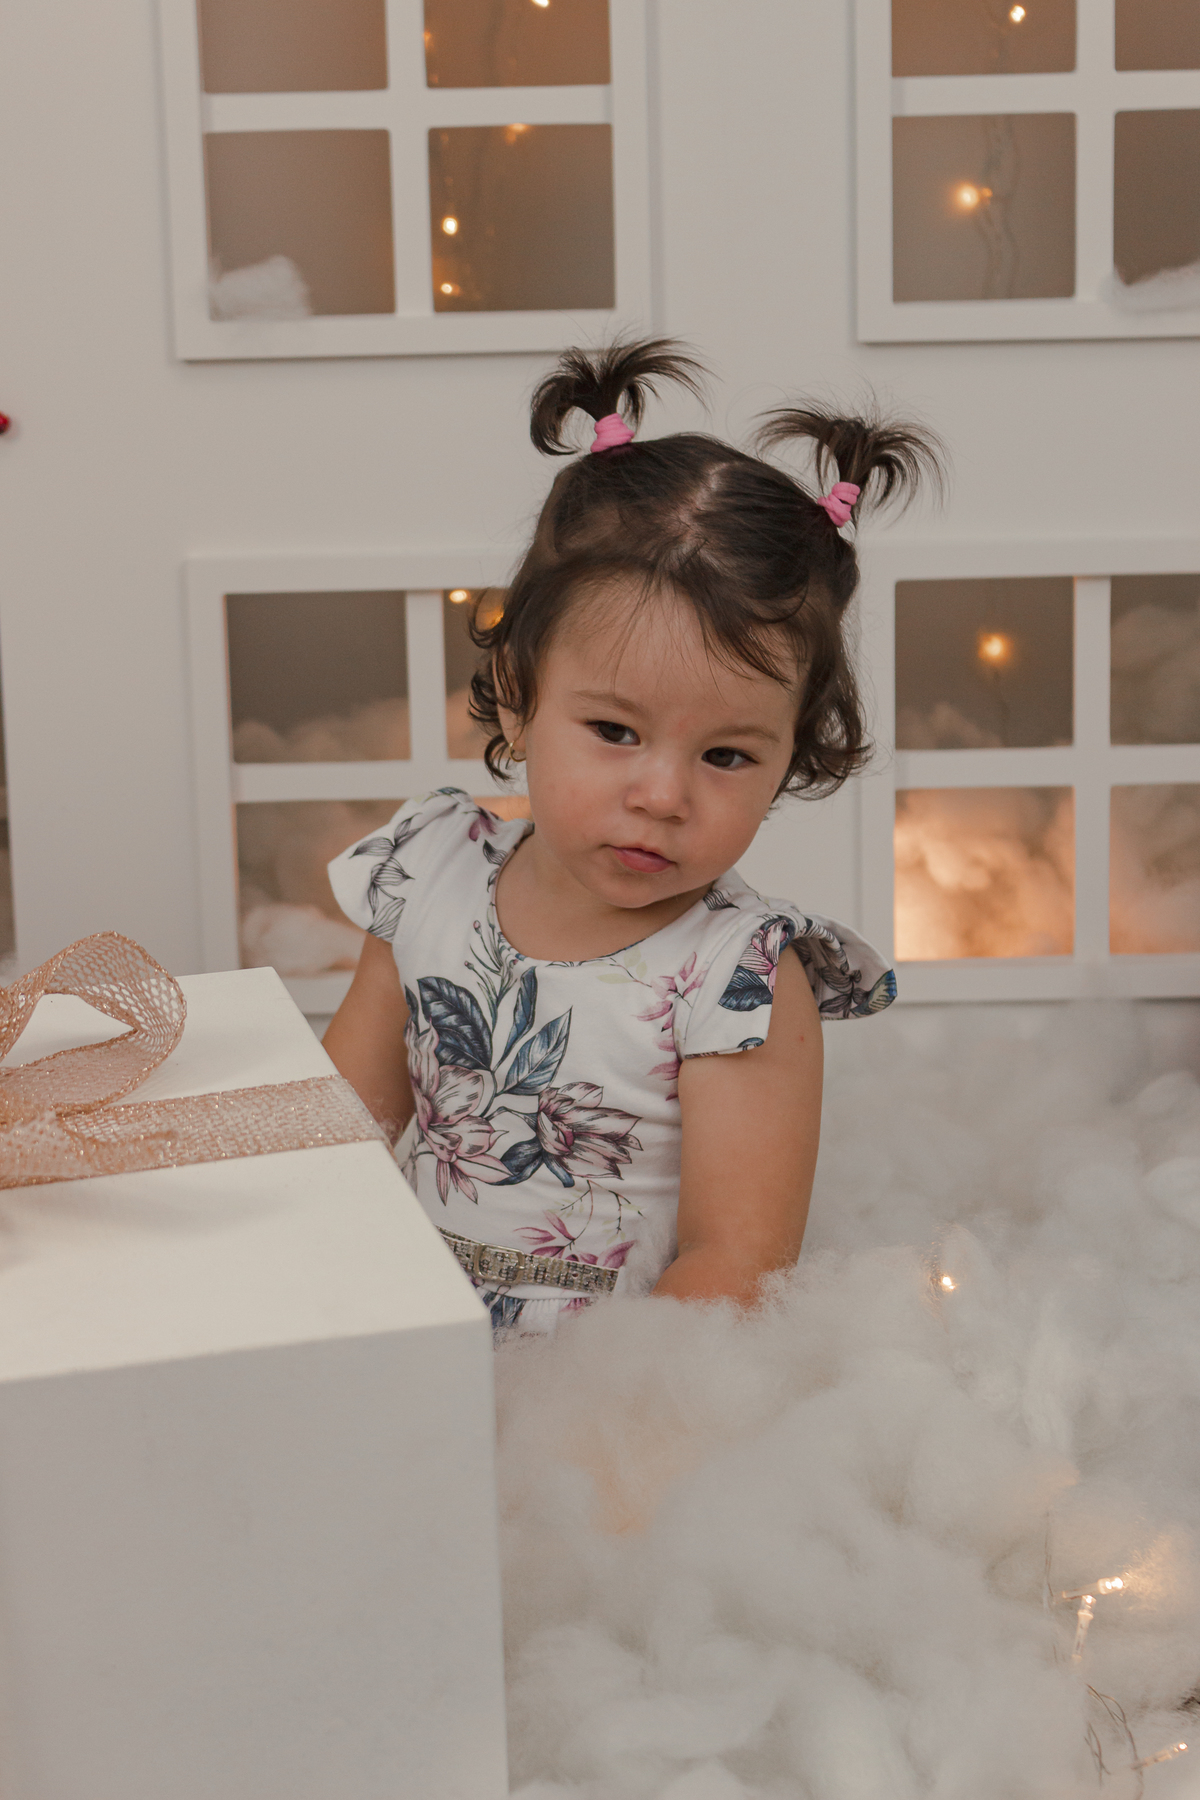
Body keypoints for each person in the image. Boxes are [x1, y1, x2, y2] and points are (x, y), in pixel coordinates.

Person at [322, 339, 940, 1335]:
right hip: (412, 1334)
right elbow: (336, 1138)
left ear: (793, 755)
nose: (662, 796)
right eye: (614, 732)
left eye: (727, 755)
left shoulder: (737, 979)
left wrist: (594, 1406)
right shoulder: (428, 872)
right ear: (519, 700)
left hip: (611, 1374)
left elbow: (733, 1265)